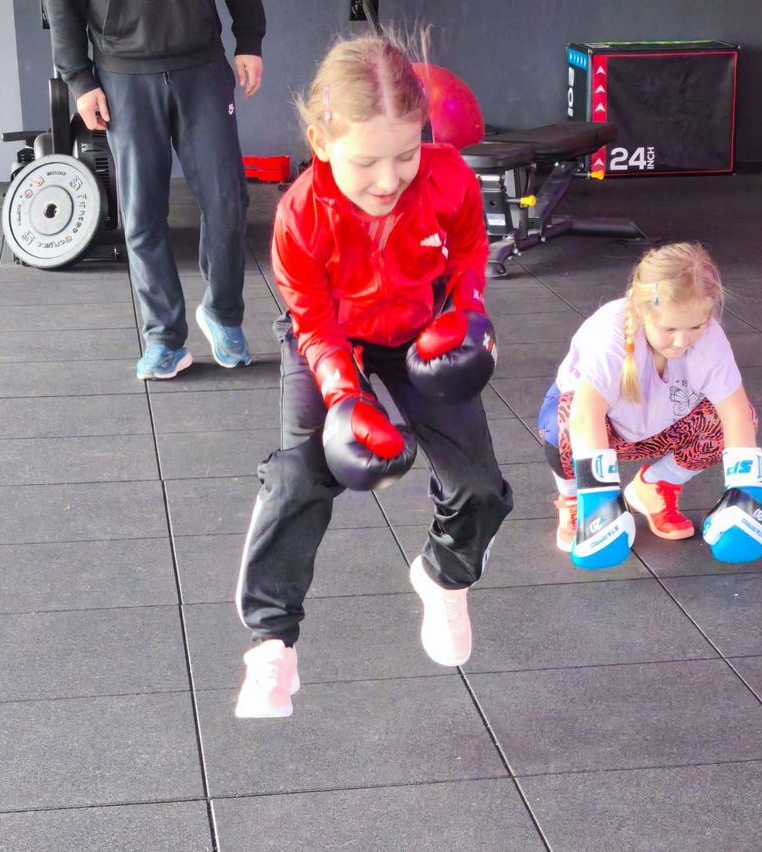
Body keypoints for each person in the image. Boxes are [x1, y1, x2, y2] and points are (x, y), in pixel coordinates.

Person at [233, 33, 513, 718]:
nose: (389, 179)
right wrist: (343, 396)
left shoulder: (447, 177)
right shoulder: (301, 213)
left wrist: (469, 312)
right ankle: (272, 645)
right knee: (303, 475)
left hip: (420, 329)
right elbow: (311, 317)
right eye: (367, 161)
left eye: (406, 154)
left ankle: (444, 577)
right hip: (330, 336)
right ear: (321, 141)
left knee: (480, 488)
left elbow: (471, 248)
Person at [44, 0, 265, 379]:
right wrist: (79, 78)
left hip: (201, 65)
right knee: (143, 211)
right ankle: (165, 338)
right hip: (123, 72)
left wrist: (249, 39)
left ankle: (223, 315)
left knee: (227, 200)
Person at [538, 242, 762, 569]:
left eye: (695, 326)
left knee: (740, 417)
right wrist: (598, 499)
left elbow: (734, 412)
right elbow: (584, 416)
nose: (683, 340)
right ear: (641, 310)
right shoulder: (613, 334)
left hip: (661, 426)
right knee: (560, 421)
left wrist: (747, 490)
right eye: (670, 329)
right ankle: (576, 498)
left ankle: (656, 486)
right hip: (597, 430)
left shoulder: (710, 340)